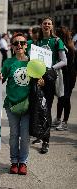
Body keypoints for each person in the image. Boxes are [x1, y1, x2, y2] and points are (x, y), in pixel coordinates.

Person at [0, 33, 43, 175]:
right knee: (14, 135)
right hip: (11, 104)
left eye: (22, 43)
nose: (19, 46)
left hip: (28, 105)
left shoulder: (32, 62)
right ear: (12, 46)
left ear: (26, 45)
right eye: (16, 43)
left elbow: (40, 80)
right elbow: (1, 79)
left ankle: (23, 162)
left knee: (25, 135)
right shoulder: (8, 63)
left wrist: (41, 81)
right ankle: (14, 161)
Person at [36, 17, 67, 154]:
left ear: (52, 26)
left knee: (46, 110)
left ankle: (46, 141)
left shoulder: (57, 41)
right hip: (37, 79)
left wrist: (50, 68)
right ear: (41, 26)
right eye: (44, 23)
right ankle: (39, 133)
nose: (46, 25)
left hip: (49, 79)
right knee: (37, 108)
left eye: (49, 23)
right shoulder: (37, 41)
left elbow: (64, 61)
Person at [53, 26, 76, 131]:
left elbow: (66, 63)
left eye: (56, 34)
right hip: (64, 74)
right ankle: (58, 119)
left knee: (66, 98)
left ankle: (65, 122)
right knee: (61, 97)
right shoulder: (66, 45)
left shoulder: (67, 46)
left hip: (69, 75)